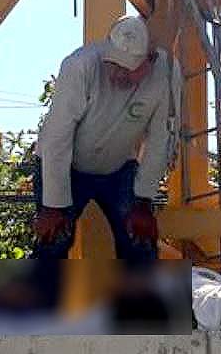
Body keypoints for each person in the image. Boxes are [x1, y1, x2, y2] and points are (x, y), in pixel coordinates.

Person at [32, 15, 181, 262]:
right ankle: (40, 298)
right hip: (64, 165)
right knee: (53, 241)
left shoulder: (167, 73)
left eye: (129, 68)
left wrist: (143, 202)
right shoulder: (79, 65)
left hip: (119, 166)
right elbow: (57, 137)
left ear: (150, 59)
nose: (118, 74)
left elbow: (160, 138)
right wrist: (52, 206)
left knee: (140, 241)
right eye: (114, 64)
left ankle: (140, 299)